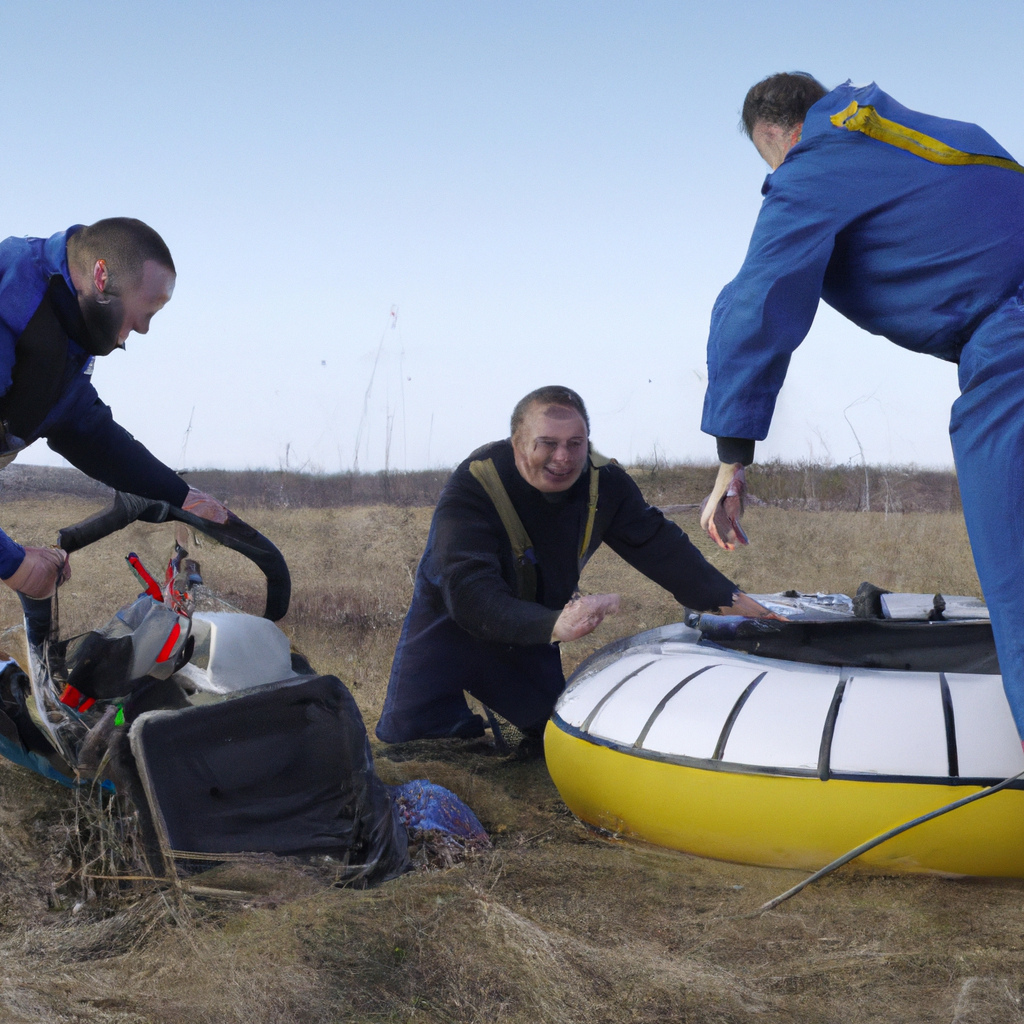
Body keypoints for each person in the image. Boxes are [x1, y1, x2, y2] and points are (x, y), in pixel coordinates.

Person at [697, 73, 1024, 739]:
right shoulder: (940, 138)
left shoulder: (814, 164)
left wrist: (732, 455)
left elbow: (757, 300)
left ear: (774, 135)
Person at [376, 385, 772, 746]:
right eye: (547, 443)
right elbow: (467, 593)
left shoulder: (605, 481)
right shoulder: (474, 482)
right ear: (517, 444)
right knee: (411, 745)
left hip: (534, 632)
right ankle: (449, 725)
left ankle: (508, 730)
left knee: (544, 741)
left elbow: (659, 545)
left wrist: (728, 598)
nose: (563, 458)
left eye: (575, 443)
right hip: (453, 626)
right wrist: (556, 626)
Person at [0, 218, 231, 601]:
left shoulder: (65, 323)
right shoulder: (12, 293)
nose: (143, 329)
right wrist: (16, 566)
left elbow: (83, 428)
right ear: (102, 274)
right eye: (146, 312)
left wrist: (181, 496)